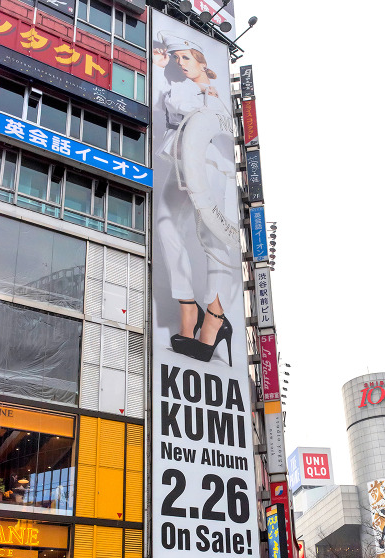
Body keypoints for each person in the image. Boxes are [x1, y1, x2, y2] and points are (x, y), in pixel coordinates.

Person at [152, 31, 238, 365]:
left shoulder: (211, 94)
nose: (180, 63)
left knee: (212, 237)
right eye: (177, 59)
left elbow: (192, 112)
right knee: (165, 224)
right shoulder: (186, 88)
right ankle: (188, 307)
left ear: (201, 60)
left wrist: (200, 92)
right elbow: (167, 106)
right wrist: (161, 70)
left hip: (210, 162)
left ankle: (214, 318)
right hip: (180, 160)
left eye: (185, 57)